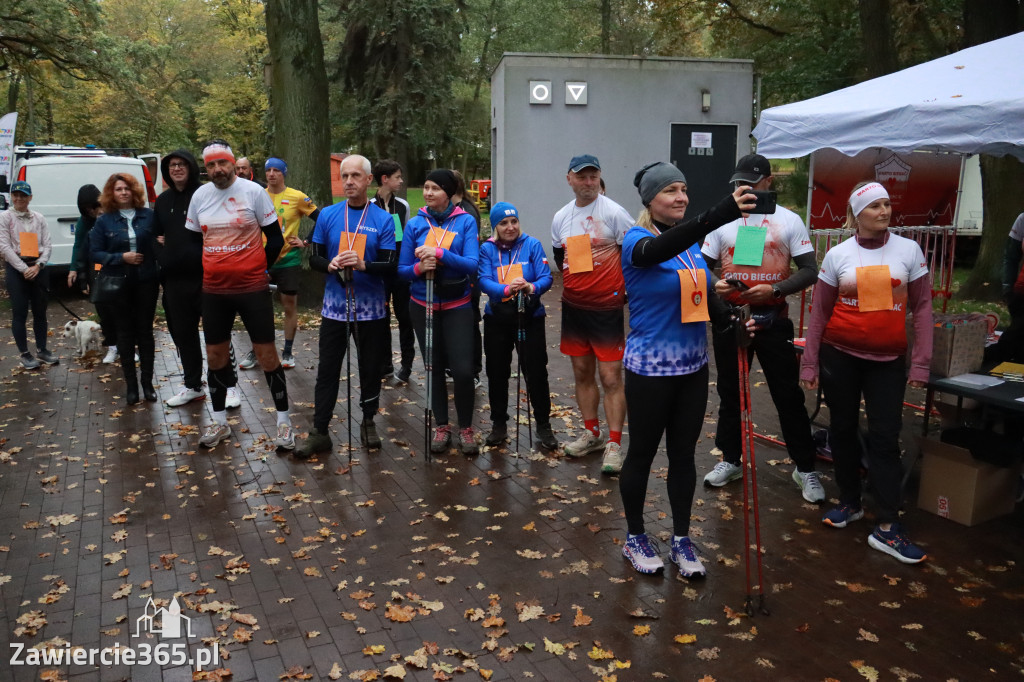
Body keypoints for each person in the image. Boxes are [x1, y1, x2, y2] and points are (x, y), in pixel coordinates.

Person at [617, 161, 755, 577]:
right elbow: (661, 250)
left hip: (692, 368)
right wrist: (717, 215)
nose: (680, 197)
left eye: (684, 189)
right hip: (649, 369)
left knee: (683, 455)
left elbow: (708, 301)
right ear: (650, 200)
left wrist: (734, 316)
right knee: (641, 453)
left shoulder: (693, 249)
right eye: (671, 191)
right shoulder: (636, 240)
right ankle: (635, 537)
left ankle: (680, 538)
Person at [799, 181, 932, 565]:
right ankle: (850, 502)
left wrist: (921, 362)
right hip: (839, 356)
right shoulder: (838, 255)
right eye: (874, 206)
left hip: (888, 362)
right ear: (857, 214)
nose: (884, 211)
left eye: (888, 204)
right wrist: (809, 362)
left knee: (885, 438)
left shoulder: (909, 250)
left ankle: (888, 525)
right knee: (841, 429)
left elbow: (922, 309)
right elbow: (819, 313)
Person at [701, 154, 824, 503]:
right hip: (732, 318)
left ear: (768, 182)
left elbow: (810, 269)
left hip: (773, 319)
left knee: (787, 394)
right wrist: (717, 286)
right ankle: (730, 459)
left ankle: (805, 467)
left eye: (752, 184)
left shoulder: (789, 221)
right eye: (739, 184)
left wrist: (776, 289)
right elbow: (704, 267)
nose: (745, 190)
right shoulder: (722, 219)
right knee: (730, 393)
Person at [185, 140, 293, 450]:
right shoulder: (200, 196)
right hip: (215, 290)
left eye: (222, 163)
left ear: (233, 163)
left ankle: (284, 423)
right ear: (205, 169)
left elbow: (274, 238)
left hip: (252, 288)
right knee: (216, 356)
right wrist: (206, 268)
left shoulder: (254, 192)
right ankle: (219, 424)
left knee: (267, 355)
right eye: (210, 165)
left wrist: (263, 268)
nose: (217, 169)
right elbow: (193, 241)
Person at [294, 155, 396, 458]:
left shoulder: (384, 219)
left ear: (368, 180)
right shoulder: (327, 215)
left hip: (371, 309)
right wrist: (331, 264)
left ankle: (368, 422)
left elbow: (390, 263)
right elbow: (314, 257)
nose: (349, 181)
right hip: (335, 309)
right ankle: (320, 431)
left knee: (370, 368)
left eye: (355, 176)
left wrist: (364, 264)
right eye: (344, 176)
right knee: (327, 369)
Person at [550, 154, 633, 473]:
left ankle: (614, 442)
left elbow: (633, 254)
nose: (588, 182)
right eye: (581, 176)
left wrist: (622, 290)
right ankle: (592, 433)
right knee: (582, 373)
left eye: (593, 176)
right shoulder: (561, 217)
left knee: (610, 376)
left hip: (607, 308)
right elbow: (562, 258)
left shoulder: (614, 213)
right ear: (569, 179)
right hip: (574, 308)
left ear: (599, 178)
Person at [399, 169, 481, 456]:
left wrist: (441, 255)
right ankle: (442, 426)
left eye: (435, 188)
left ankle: (466, 428)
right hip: (423, 305)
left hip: (457, 305)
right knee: (433, 367)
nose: (428, 193)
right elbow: (402, 270)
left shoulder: (466, 221)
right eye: (426, 187)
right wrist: (420, 268)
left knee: (462, 370)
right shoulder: (415, 224)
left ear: (448, 192)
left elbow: (472, 264)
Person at [154, 149, 241, 409]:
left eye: (182, 164)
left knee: (217, 333)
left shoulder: (206, 194)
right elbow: (154, 236)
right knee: (184, 335)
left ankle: (230, 385)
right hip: (175, 282)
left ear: (192, 167)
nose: (177, 169)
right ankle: (192, 385)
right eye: (171, 165)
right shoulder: (162, 201)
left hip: (208, 278)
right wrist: (164, 255)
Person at [477, 201, 558, 450]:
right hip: (497, 318)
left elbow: (546, 277)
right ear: (495, 226)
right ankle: (498, 424)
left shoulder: (531, 244)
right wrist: (505, 289)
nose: (510, 227)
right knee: (497, 372)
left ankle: (543, 425)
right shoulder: (487, 249)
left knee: (535, 371)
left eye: (514, 222)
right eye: (504, 223)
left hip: (529, 316)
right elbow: (483, 280)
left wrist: (530, 287)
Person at [237, 157, 319, 370]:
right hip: (260, 260)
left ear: (284, 173)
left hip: (287, 261)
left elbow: (322, 219)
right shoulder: (257, 195)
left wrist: (306, 241)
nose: (272, 174)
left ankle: (288, 352)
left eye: (276, 170)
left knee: (289, 306)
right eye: (268, 170)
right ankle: (257, 351)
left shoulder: (297, 197)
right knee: (256, 308)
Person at [90, 174, 159, 404]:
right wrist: (121, 257)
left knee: (145, 332)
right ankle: (131, 386)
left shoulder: (148, 216)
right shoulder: (104, 221)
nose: (123, 192)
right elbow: (95, 253)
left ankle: (147, 384)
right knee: (124, 334)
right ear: (112, 193)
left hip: (146, 281)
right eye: (118, 189)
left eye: (127, 188)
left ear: (134, 191)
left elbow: (159, 241)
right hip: (117, 283)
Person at [0, 181, 57, 369]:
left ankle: (42, 349)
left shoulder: (39, 218)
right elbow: (4, 246)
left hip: (38, 268)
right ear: (11, 197)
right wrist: (23, 268)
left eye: (23, 196)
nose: (19, 199)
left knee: (40, 311)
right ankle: (25, 353)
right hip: (17, 270)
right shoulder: (5, 217)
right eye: (15, 195)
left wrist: (39, 265)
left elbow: (47, 245)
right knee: (20, 312)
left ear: (30, 198)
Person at [372, 159, 415, 383]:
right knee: (382, 317)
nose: (401, 181)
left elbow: (406, 238)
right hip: (379, 271)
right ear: (385, 179)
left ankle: (407, 363)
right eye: (398, 177)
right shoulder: (370, 205)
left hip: (400, 270)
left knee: (405, 316)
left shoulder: (403, 206)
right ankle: (385, 363)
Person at [69, 184, 119, 364]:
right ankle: (113, 347)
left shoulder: (115, 216)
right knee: (104, 312)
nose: (95, 213)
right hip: (97, 273)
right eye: (89, 210)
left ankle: (126, 347)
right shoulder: (86, 226)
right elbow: (80, 249)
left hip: (118, 270)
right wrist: (78, 273)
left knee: (122, 312)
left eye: (97, 209)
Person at [452, 170, 483, 388]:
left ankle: (474, 371)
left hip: (468, 277)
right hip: (453, 278)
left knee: (470, 322)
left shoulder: (467, 211)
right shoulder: (450, 210)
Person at [988, 211, 1024, 363]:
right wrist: (1007, 288)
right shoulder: (1023, 219)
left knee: (1013, 340)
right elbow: (1010, 257)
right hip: (1021, 293)